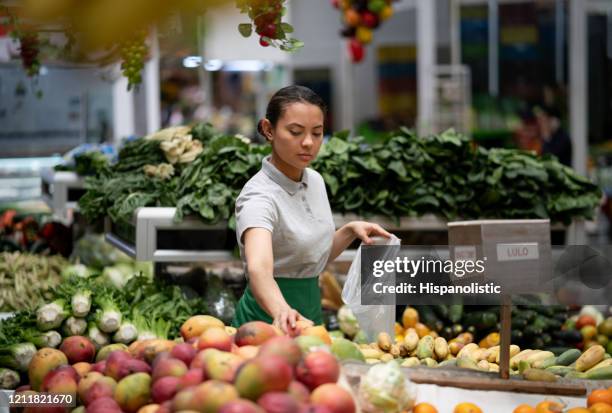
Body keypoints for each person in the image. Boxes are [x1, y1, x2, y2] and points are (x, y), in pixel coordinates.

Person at [232, 85, 392, 333]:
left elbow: (311, 258)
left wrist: (349, 231)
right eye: (295, 132)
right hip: (265, 325)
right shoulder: (258, 196)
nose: (308, 143)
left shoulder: (315, 180)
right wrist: (281, 311)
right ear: (268, 129)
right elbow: (259, 268)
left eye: (317, 133)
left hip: (310, 320)